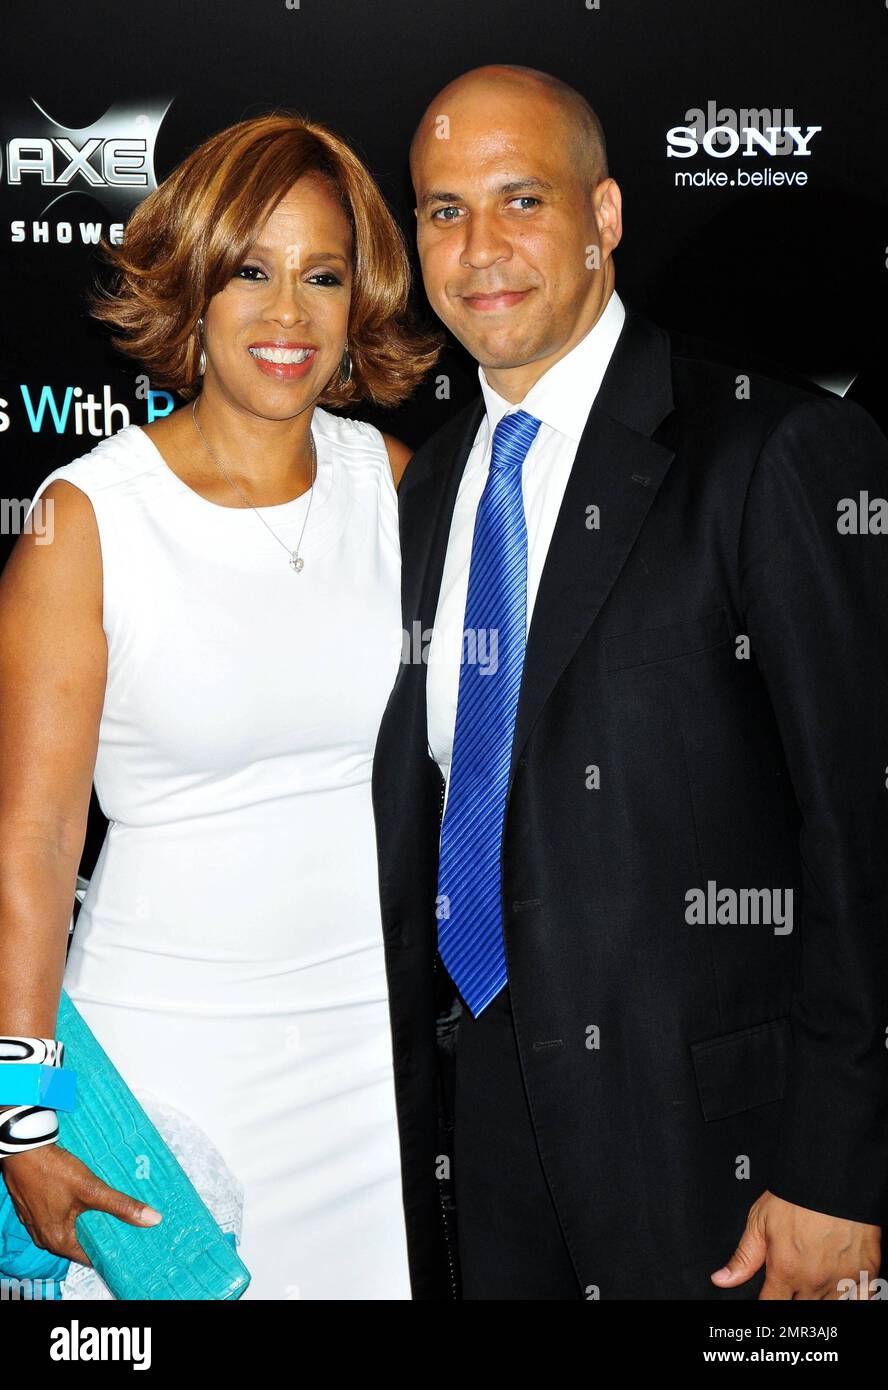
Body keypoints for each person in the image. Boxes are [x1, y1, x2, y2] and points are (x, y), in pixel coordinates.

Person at [371, 64, 888, 1299]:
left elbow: (862, 827)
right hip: (476, 1127)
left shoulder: (770, 448)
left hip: (717, 1150)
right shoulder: (426, 486)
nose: (479, 247)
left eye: (520, 200)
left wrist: (840, 1167)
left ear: (604, 217)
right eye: (444, 210)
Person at [0, 110, 441, 1299]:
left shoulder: (401, 490)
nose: (288, 313)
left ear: (362, 303)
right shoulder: (86, 520)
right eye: (252, 269)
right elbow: (33, 845)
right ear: (194, 282)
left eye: (323, 274)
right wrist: (20, 1119)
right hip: (166, 1074)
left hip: (373, 1077)